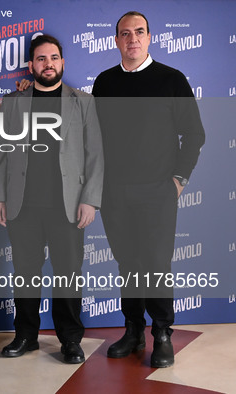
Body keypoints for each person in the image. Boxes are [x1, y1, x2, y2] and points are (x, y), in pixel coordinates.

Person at [92, 11, 205, 368]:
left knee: (156, 264)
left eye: (139, 32)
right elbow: (94, 139)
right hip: (114, 193)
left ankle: (162, 334)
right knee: (129, 263)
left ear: (150, 37)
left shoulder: (172, 79)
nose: (132, 39)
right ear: (116, 41)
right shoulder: (105, 82)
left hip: (158, 191)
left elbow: (195, 134)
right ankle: (133, 330)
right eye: (125, 34)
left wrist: (178, 179)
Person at [0, 34, 104, 363]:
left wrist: (90, 200)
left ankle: (70, 339)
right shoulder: (13, 102)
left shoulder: (83, 101)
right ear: (31, 65)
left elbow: (96, 156)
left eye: (54, 58)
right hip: (22, 203)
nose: (48, 64)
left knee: (68, 272)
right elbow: (1, 152)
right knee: (25, 272)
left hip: (67, 205)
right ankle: (26, 335)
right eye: (41, 59)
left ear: (62, 62)